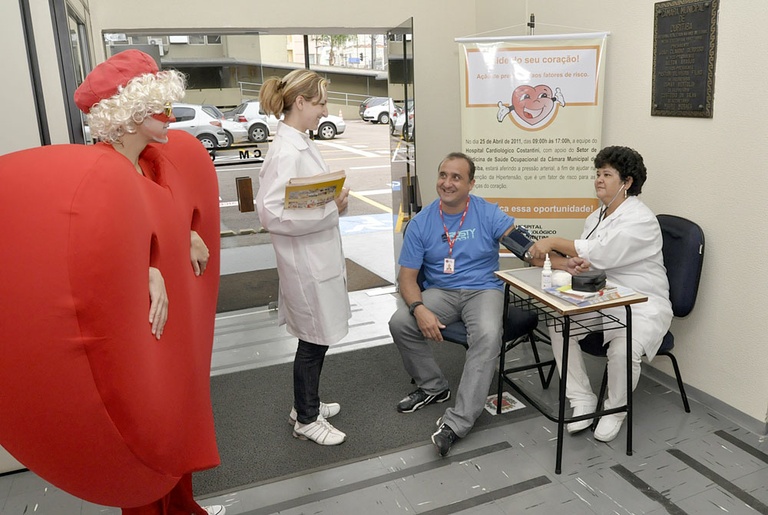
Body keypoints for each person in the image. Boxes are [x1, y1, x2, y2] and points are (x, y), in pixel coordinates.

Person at [528, 145, 672, 443]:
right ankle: (582, 398)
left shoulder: (641, 220)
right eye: (597, 173)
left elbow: (604, 254)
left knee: (623, 347)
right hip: (604, 297)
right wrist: (577, 263)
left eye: (607, 174)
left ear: (627, 182)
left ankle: (615, 410)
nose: (599, 180)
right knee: (559, 323)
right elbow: (593, 258)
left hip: (642, 303)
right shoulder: (596, 217)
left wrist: (555, 241)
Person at [389, 152, 517, 457]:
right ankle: (433, 386)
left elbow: (523, 244)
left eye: (456, 177)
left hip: (483, 289)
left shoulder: (487, 213)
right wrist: (419, 310)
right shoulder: (422, 222)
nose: (447, 183)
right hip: (441, 291)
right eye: (443, 175)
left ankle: (458, 422)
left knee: (487, 334)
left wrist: (560, 258)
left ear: (471, 183)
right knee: (400, 322)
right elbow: (406, 280)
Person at [255, 69, 351, 446]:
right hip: (306, 264)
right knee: (312, 341)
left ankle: (305, 403)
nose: (324, 111)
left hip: (317, 256)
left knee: (317, 338)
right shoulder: (284, 150)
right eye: (320, 103)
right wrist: (331, 209)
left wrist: (331, 200)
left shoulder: (301, 142)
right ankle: (306, 419)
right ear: (300, 102)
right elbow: (271, 213)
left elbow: (303, 198)